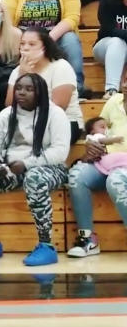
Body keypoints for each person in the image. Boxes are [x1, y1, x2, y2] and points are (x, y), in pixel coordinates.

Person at [0, 72, 70, 266]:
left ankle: (46, 245)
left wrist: (27, 164)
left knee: (34, 178)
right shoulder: (6, 115)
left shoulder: (55, 114)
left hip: (49, 168)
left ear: (41, 93)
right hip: (12, 167)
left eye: (29, 89)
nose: (22, 92)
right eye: (19, 88)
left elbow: (60, 151)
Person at [4, 0, 84, 92]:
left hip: (56, 37)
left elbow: (72, 18)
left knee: (71, 39)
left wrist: (48, 39)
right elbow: (6, 19)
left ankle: (77, 87)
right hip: (24, 38)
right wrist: (27, 40)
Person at [67, 88, 127, 258]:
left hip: (122, 169)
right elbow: (98, 129)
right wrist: (92, 146)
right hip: (107, 161)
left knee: (115, 180)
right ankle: (88, 239)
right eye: (125, 78)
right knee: (76, 174)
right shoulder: (114, 101)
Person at [7, 27, 84, 142]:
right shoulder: (19, 70)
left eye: (32, 44)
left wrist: (32, 79)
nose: (25, 48)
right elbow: (9, 104)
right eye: (22, 44)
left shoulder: (61, 67)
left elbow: (58, 107)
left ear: (44, 47)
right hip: (27, 121)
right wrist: (22, 76)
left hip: (63, 122)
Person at [94, 0, 127, 98]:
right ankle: (111, 90)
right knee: (117, 42)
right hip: (106, 47)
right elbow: (109, 30)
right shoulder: (107, 1)